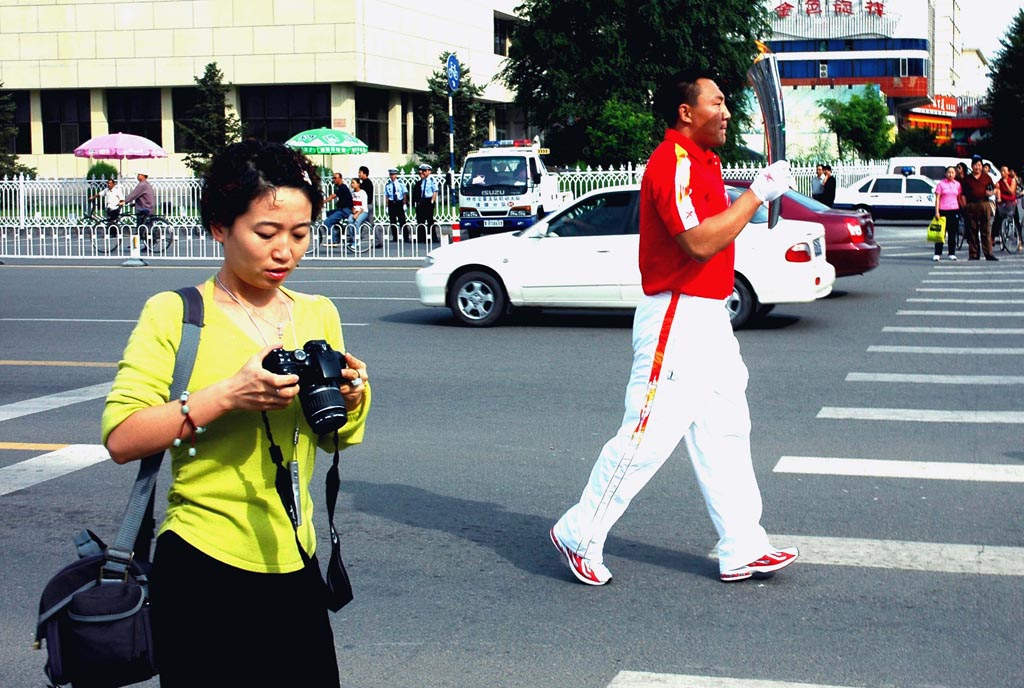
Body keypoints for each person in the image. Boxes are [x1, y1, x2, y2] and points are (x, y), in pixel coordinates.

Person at [101, 140, 371, 687]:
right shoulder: (176, 314)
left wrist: (352, 399)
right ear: (220, 227)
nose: (285, 253)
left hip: (294, 556)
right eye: (266, 234)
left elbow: (333, 440)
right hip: (201, 562)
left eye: (300, 234)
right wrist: (229, 395)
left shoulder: (319, 314)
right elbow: (122, 437)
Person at [549, 70, 798, 586]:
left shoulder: (706, 163)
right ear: (686, 112)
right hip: (676, 314)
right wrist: (755, 196)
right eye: (718, 102)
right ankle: (580, 531)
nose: (728, 111)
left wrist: (750, 198)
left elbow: (717, 231)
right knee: (647, 435)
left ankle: (742, 545)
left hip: (710, 316)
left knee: (728, 430)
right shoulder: (673, 162)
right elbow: (699, 243)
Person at [960, 156, 998, 261]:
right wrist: (965, 206)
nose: (977, 167)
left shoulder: (986, 177)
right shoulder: (967, 179)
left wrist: (991, 193)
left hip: (984, 204)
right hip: (971, 205)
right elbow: (962, 194)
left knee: (986, 230)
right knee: (972, 230)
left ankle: (988, 253)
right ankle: (974, 254)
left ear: (982, 166)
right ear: (972, 166)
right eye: (975, 165)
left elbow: (994, 189)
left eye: (979, 165)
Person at [933, 166, 961, 261]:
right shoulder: (941, 184)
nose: (951, 174)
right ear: (945, 173)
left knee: (952, 233)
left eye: (953, 172)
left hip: (954, 210)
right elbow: (937, 198)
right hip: (943, 210)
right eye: (949, 172)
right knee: (940, 234)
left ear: (955, 174)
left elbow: (959, 197)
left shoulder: (957, 184)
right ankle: (937, 253)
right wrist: (937, 211)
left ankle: (951, 253)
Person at [323, 172, 353, 245]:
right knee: (328, 213)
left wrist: (323, 202)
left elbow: (333, 196)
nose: (334, 180)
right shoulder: (341, 187)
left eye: (335, 178)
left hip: (345, 210)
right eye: (333, 178)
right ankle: (340, 228)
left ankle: (333, 241)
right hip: (342, 209)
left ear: (340, 179)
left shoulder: (343, 187)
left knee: (327, 222)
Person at [412, 163, 438, 242]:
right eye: (422, 171)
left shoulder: (432, 180)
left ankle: (433, 237)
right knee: (420, 220)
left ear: (429, 171)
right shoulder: (422, 181)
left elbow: (435, 191)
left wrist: (432, 201)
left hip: (428, 201)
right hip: (422, 201)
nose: (423, 172)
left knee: (430, 220)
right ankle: (421, 238)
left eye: (425, 171)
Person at [996, 165, 1019, 251]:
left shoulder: (1012, 180)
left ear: (1008, 172)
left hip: (1011, 202)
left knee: (1016, 220)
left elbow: (1012, 192)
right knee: (997, 219)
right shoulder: (999, 182)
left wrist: (1006, 183)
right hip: (1002, 203)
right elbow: (997, 189)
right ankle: (995, 238)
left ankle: (1018, 240)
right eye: (1001, 171)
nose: (1002, 173)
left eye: (1004, 171)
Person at [384, 167, 408, 241]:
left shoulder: (400, 183)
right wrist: (387, 206)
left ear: (396, 175)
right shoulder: (388, 185)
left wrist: (404, 204)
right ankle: (395, 237)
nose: (392, 176)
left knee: (402, 220)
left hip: (399, 202)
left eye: (393, 174)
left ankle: (406, 237)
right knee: (392, 221)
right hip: (392, 203)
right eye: (391, 174)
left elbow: (404, 194)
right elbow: (387, 196)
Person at [347, 177, 369, 248]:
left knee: (357, 222)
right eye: (351, 183)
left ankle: (357, 240)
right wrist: (353, 209)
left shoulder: (363, 193)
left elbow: (363, 206)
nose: (352, 184)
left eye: (353, 183)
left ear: (358, 184)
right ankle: (353, 240)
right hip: (355, 212)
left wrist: (357, 214)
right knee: (350, 221)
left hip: (363, 212)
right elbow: (352, 204)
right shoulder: (352, 193)